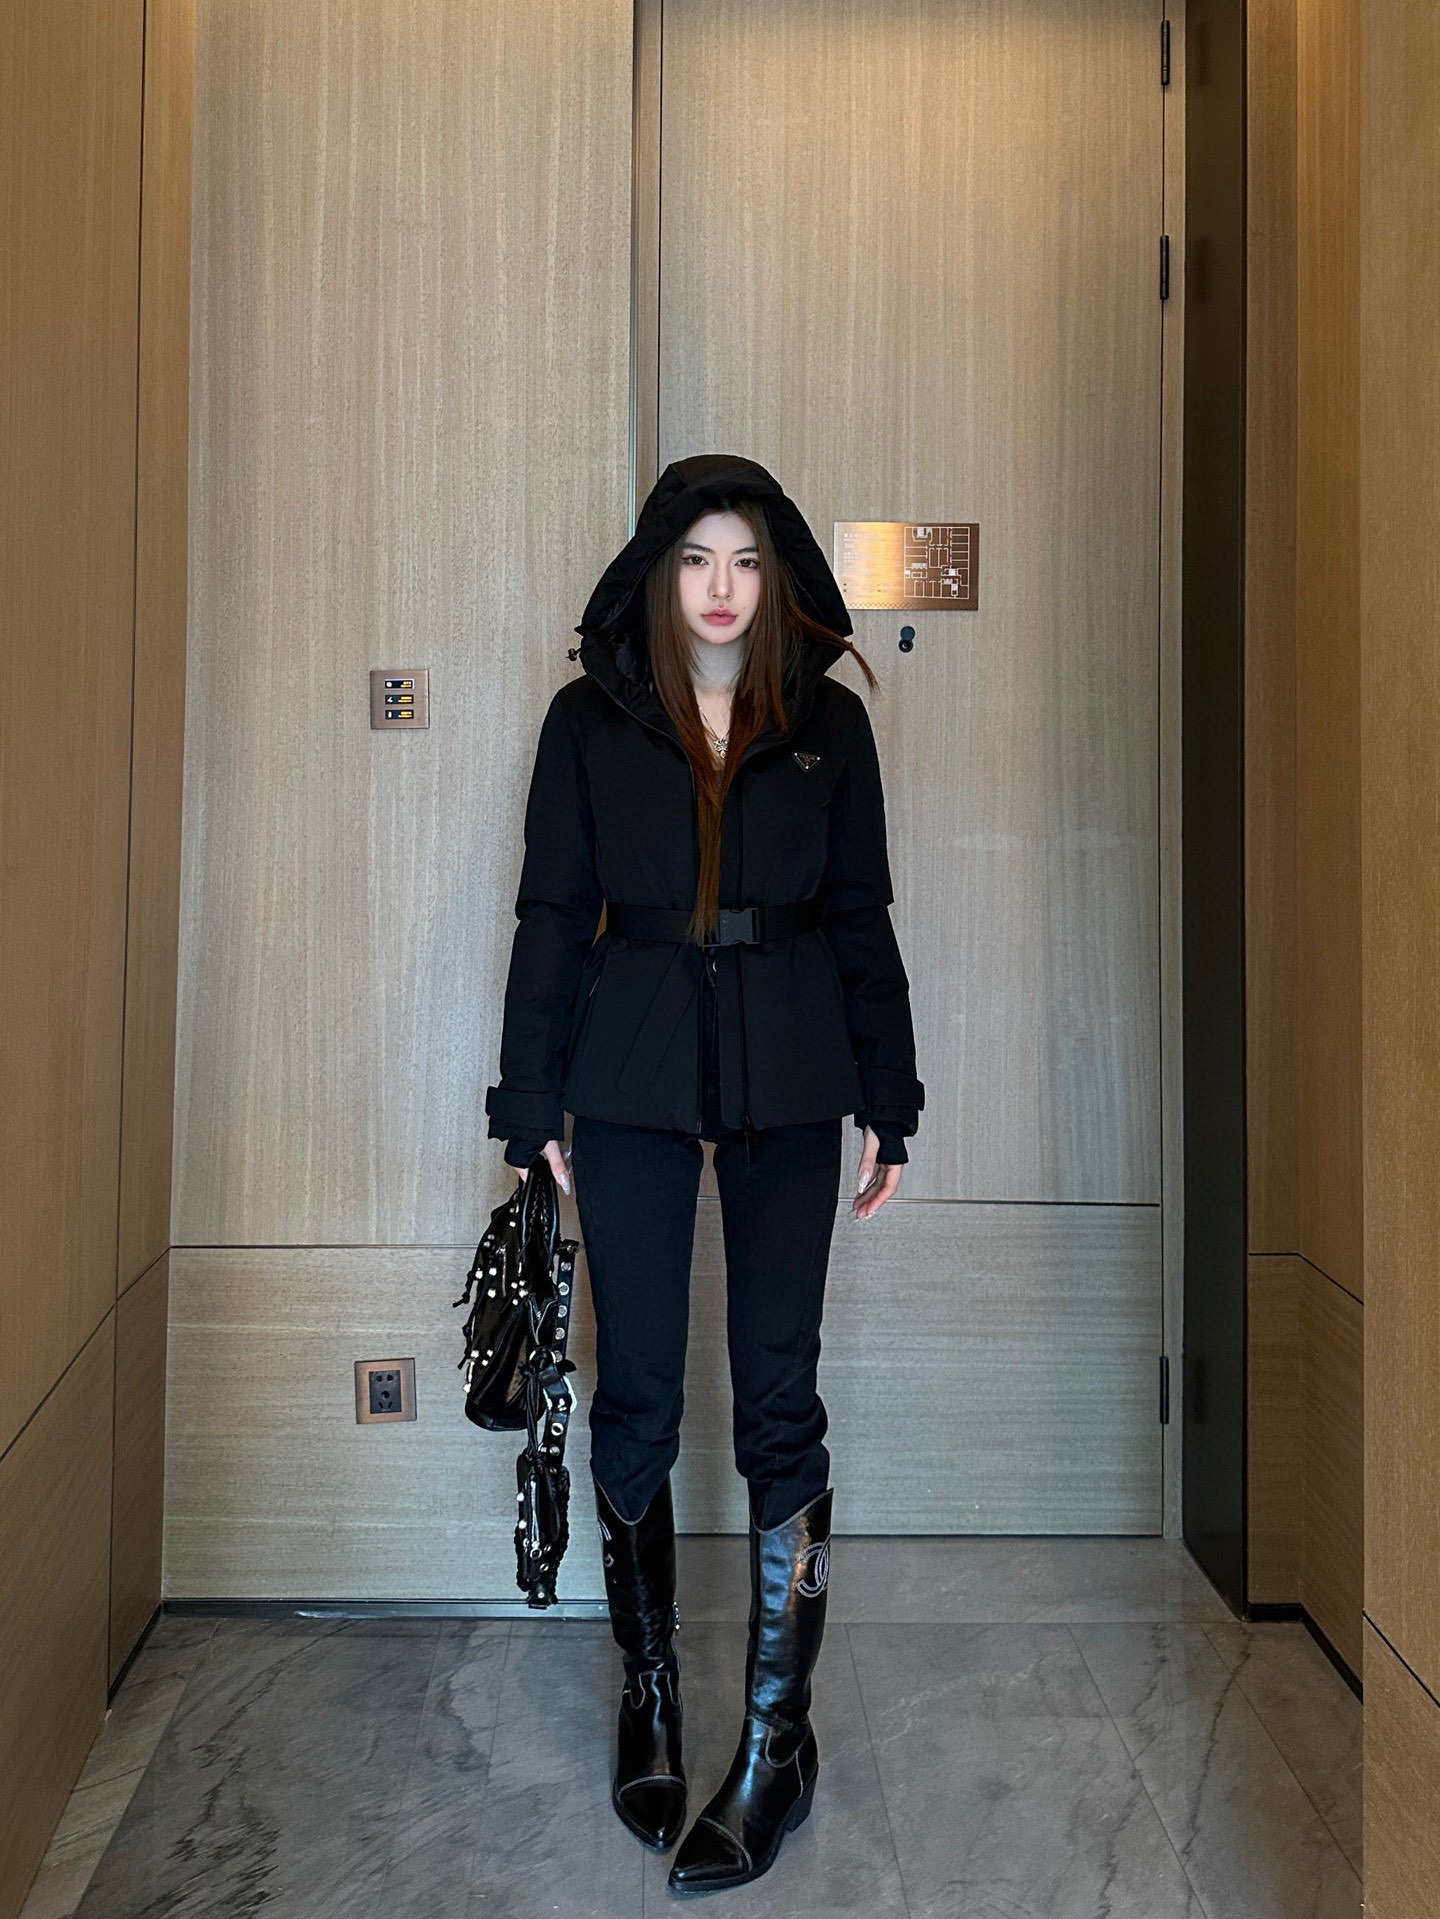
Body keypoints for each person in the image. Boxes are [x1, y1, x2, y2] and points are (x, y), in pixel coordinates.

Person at [484, 452, 923, 1894]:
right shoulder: (588, 721)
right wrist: (529, 1098)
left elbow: (861, 917)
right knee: (640, 1389)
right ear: (659, 576)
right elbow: (554, 914)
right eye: (694, 560)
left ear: (775, 574)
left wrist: (892, 1100)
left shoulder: (829, 726)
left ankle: (778, 1741)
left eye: (743, 560)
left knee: (781, 1398)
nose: (721, 588)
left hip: (794, 1077)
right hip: (628, 1076)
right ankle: (652, 1690)